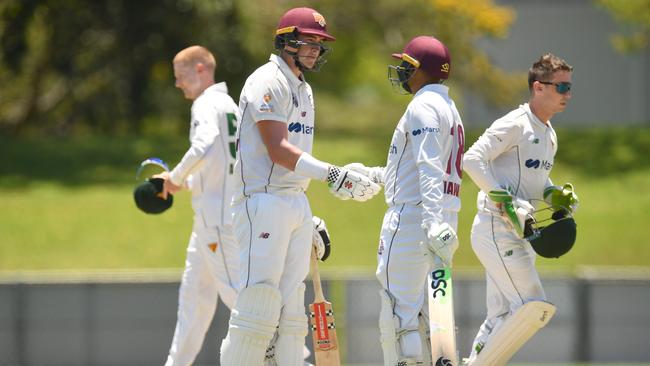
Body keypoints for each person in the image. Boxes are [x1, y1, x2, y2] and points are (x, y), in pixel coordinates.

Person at [219, 7, 380, 366]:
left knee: (292, 311)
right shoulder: (267, 80)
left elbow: (296, 156)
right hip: (261, 200)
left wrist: (308, 211)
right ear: (285, 40)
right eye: (308, 41)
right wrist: (332, 174)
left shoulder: (303, 89)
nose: (315, 49)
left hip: (293, 201)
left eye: (319, 43)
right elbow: (277, 150)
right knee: (257, 308)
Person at [346, 36, 465, 365]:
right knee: (429, 318)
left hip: (417, 221)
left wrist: (430, 223)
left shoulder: (423, 106)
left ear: (420, 70)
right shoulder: (449, 108)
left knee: (398, 313)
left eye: (406, 65)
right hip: (443, 219)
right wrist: (375, 175)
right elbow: (419, 168)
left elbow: (428, 167)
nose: (401, 70)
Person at [463, 53, 579, 365]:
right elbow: (471, 160)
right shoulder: (515, 123)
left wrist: (554, 194)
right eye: (562, 87)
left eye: (570, 87)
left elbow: (535, 182)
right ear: (539, 87)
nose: (568, 94)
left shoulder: (548, 133)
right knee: (532, 307)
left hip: (525, 232)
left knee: (499, 314)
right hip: (496, 228)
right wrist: (507, 203)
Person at [154, 45, 240, 366]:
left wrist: (175, 178)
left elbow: (203, 147)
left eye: (181, 76)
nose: (178, 84)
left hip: (217, 219)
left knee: (238, 298)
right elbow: (220, 163)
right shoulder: (230, 105)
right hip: (210, 216)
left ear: (202, 68)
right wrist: (186, 182)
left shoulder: (206, 104)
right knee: (194, 301)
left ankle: (293, 359)